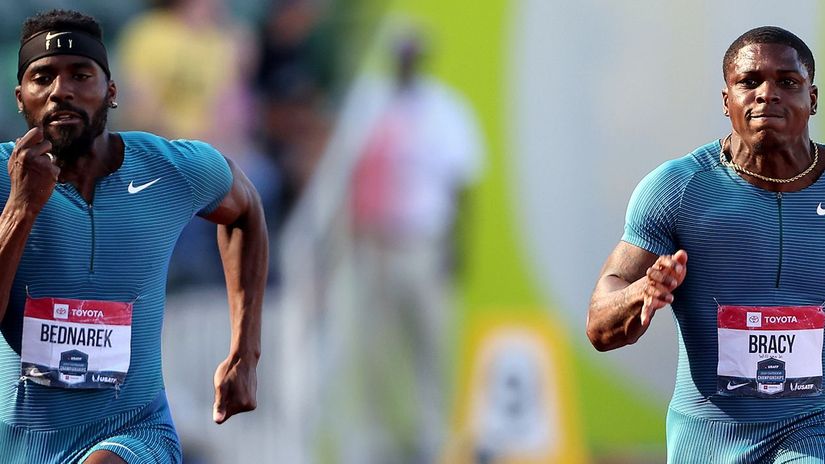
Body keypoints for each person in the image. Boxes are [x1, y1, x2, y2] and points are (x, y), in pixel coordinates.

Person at [0, 9, 268, 464]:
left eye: (80, 75)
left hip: (134, 430)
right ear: (21, 98)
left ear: (111, 91)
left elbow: (245, 208)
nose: (61, 90)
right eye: (42, 77)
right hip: (21, 440)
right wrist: (21, 209)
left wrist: (245, 353)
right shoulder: (2, 179)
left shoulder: (169, 168)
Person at [586, 26, 825, 462]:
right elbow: (600, 325)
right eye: (749, 81)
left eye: (787, 82)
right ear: (726, 100)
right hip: (709, 439)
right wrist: (644, 292)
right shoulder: (677, 189)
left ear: (812, 98)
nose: (767, 94)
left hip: (814, 427)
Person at [348, 31, 484, 463]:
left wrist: (457, 245)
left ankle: (434, 439)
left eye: (411, 55)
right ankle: (378, 441)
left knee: (432, 345)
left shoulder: (445, 110)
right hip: (375, 243)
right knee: (375, 348)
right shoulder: (368, 103)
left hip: (424, 243)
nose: (405, 62)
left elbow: (463, 184)